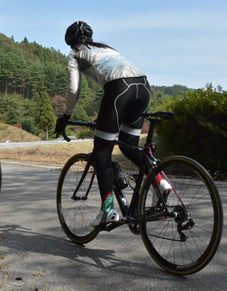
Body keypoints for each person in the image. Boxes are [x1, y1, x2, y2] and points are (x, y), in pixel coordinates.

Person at [54, 21, 171, 227]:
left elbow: (73, 89)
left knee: (101, 151)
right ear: (91, 38)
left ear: (70, 43)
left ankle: (108, 211)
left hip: (119, 89)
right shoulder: (107, 49)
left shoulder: (75, 54)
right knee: (129, 144)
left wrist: (65, 116)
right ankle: (160, 181)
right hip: (143, 86)